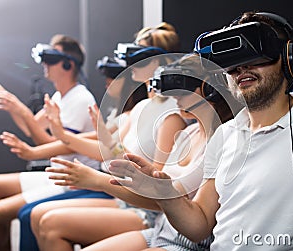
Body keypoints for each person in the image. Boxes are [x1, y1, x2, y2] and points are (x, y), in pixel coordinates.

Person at [105, 11, 293, 251]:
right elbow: (200, 225)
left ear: (288, 58)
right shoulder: (226, 134)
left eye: (255, 56)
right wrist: (164, 194)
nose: (242, 68)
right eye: (232, 62)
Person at [43, 53, 238, 251]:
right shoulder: (186, 133)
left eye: (182, 89)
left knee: (49, 220)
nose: (175, 96)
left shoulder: (215, 137)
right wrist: (106, 142)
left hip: (182, 237)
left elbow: (166, 199)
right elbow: (157, 185)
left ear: (210, 89)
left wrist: (99, 180)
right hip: (162, 228)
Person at [21, 22, 187, 251]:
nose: (128, 63)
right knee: (40, 217)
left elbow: (157, 187)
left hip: (145, 210)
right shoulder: (142, 107)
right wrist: (64, 135)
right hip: (123, 198)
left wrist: (95, 169)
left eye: (138, 54)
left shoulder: (171, 113)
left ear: (159, 62)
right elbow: (114, 151)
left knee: (48, 221)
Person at [0, 56, 148, 251]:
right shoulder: (129, 114)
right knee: (25, 210)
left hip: (113, 190)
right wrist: (42, 145)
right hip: (103, 184)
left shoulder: (139, 113)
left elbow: (110, 152)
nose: (107, 84)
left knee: (29, 215)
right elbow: (94, 144)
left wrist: (38, 148)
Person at [0, 34, 100, 251]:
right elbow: (31, 126)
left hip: (70, 181)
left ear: (67, 64)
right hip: (55, 174)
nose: (45, 64)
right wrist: (11, 103)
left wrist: (19, 107)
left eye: (50, 59)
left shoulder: (80, 99)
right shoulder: (60, 96)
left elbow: (46, 143)